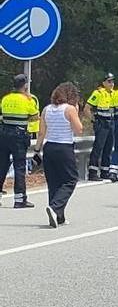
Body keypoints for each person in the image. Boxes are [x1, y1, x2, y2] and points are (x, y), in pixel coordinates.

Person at [35, 82, 84, 227]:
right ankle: (55, 207)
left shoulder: (46, 110)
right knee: (70, 180)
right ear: (71, 96)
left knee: (54, 182)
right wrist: (76, 111)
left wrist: (37, 150)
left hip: (49, 147)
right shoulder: (69, 109)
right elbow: (79, 130)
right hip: (64, 147)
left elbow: (41, 133)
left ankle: (59, 217)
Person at [0, 73, 38, 208]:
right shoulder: (28, 100)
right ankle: (19, 199)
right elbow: (34, 117)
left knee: (2, 165)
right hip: (19, 135)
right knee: (19, 167)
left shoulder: (5, 98)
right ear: (25, 85)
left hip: (3, 134)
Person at [83, 73, 116, 181]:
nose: (111, 84)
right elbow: (87, 108)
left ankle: (104, 171)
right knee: (98, 148)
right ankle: (92, 173)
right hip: (101, 123)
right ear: (103, 83)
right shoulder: (98, 93)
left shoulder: (113, 94)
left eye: (112, 81)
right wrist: (93, 120)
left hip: (111, 123)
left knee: (108, 148)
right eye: (109, 82)